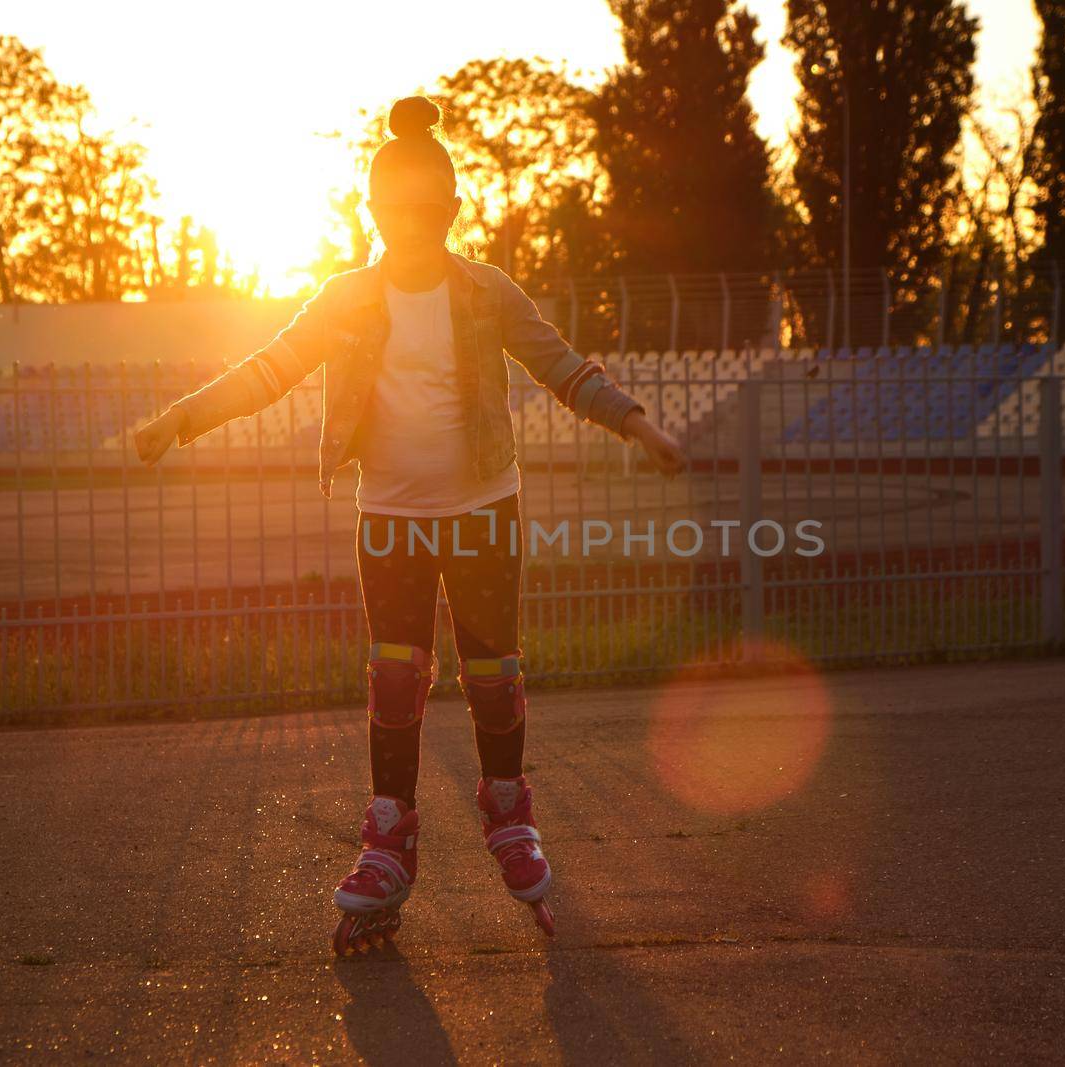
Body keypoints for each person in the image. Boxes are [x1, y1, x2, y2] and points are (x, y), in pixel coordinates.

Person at [134, 94, 687, 954]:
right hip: (388, 515)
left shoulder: (486, 291)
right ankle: (389, 835)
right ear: (375, 210)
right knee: (396, 678)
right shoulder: (346, 298)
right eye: (395, 205)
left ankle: (508, 809)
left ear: (452, 208)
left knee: (493, 673)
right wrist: (184, 415)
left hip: (480, 510)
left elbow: (561, 366)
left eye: (426, 205)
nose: (411, 219)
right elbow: (270, 369)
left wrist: (637, 422)